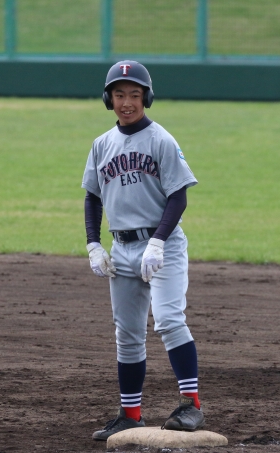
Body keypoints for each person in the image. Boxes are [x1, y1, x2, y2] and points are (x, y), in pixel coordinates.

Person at [81, 60, 204, 441]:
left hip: (162, 246)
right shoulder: (102, 144)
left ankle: (191, 405)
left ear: (146, 98)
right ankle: (130, 414)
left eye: (134, 95)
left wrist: (158, 241)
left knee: (168, 320)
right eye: (119, 95)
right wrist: (93, 243)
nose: (127, 103)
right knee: (128, 334)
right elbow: (92, 197)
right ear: (109, 99)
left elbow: (179, 196)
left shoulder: (161, 140)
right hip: (121, 249)